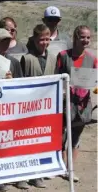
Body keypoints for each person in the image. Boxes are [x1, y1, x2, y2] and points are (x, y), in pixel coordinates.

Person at [55, 25, 97, 183]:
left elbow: (96, 81)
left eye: (88, 37)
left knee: (75, 139)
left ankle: (70, 169)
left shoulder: (92, 59)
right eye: (82, 37)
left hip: (83, 105)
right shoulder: (63, 56)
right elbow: (57, 77)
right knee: (61, 137)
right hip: (65, 104)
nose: (85, 40)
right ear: (75, 38)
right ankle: (62, 167)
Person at [18, 24, 57, 189]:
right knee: (24, 143)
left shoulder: (53, 58)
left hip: (46, 109)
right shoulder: (27, 59)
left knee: (41, 143)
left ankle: (37, 175)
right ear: (34, 39)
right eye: (41, 39)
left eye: (47, 39)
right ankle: (21, 176)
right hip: (28, 109)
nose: (44, 42)